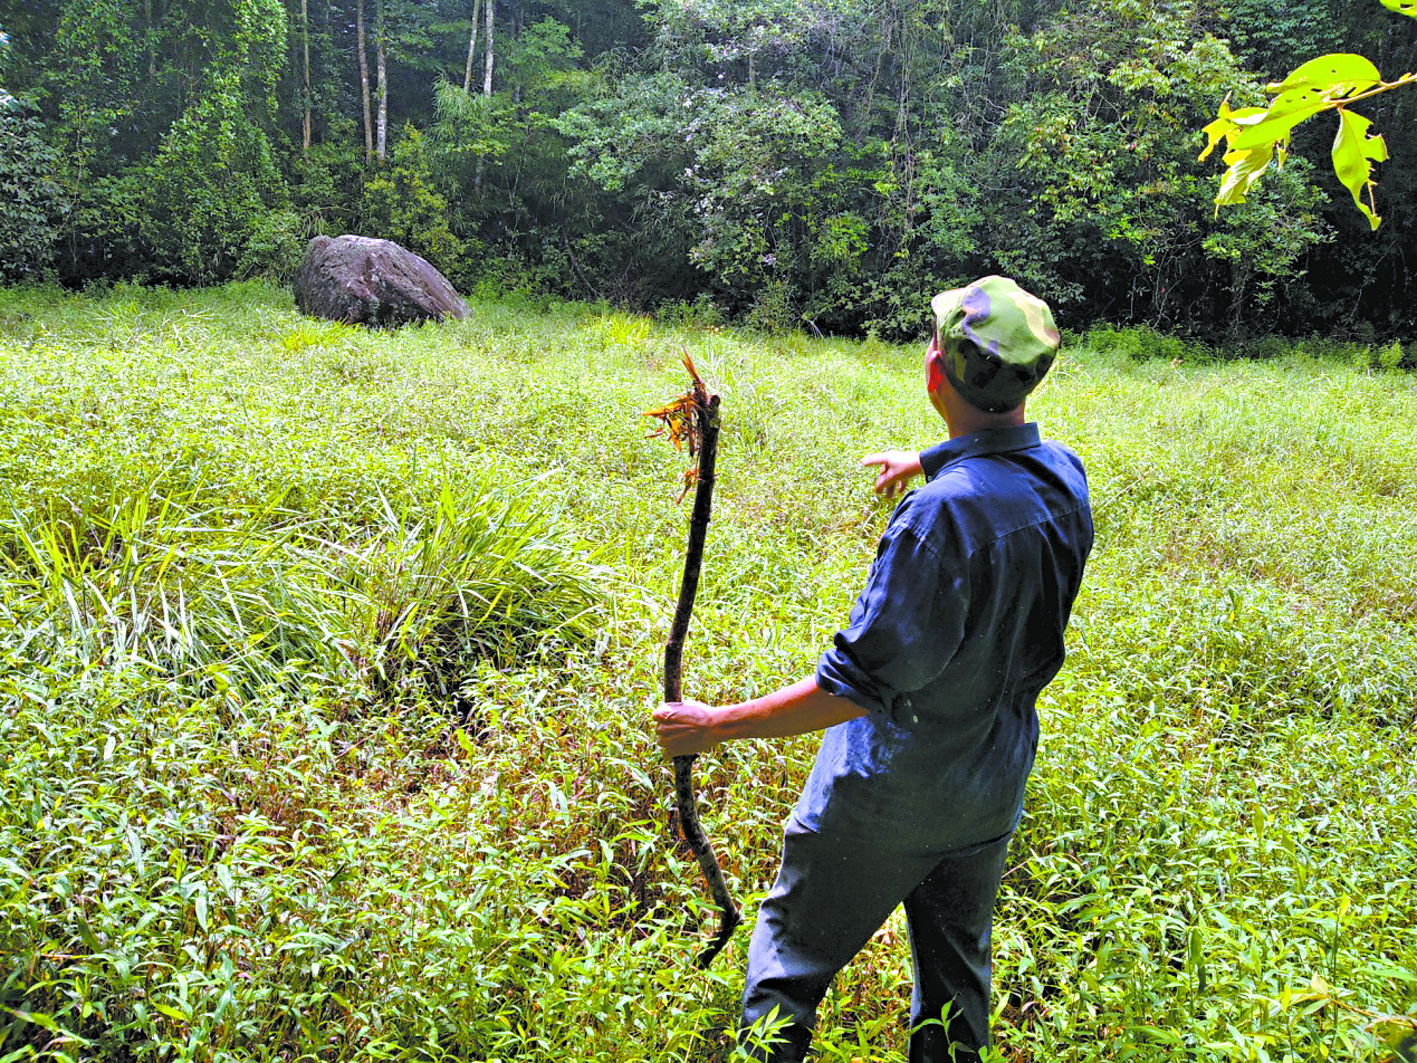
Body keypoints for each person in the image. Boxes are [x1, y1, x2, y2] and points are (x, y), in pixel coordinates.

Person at [654, 275, 1094, 1062]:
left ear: (934, 371)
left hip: (887, 796)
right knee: (957, 991)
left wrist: (710, 726)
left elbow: (850, 687)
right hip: (989, 787)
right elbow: (995, 471)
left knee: (786, 965)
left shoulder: (938, 518)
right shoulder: (1063, 474)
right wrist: (928, 456)